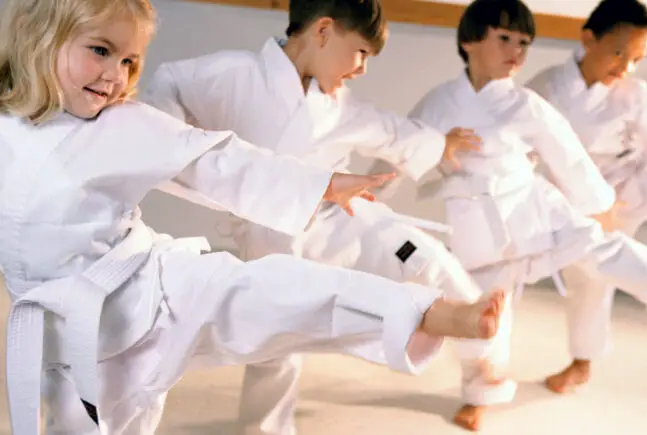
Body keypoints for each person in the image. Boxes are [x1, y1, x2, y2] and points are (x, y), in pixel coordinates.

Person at [0, 0, 506, 433]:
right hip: (78, 322)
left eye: (130, 61)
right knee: (109, 414)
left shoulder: (124, 124)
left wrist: (326, 184)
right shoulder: (228, 75)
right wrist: (162, 137)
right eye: (101, 51)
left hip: (183, 270)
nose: (117, 76)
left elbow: (217, 158)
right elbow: (177, 95)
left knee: (285, 295)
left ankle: (427, 314)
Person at [408, 0, 647, 429]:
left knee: (622, 244)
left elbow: (581, 155)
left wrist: (598, 204)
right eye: (505, 39)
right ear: (470, 41)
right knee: (482, 305)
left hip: (575, 194)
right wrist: (375, 182)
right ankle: (483, 389)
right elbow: (403, 145)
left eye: (524, 43)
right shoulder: (456, 100)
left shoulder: (536, 102)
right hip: (480, 216)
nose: (517, 51)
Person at [525, 0, 647, 393]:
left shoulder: (634, 92)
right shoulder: (545, 90)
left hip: (635, 177)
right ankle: (582, 362)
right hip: (583, 197)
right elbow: (523, 155)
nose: (626, 68)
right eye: (619, 53)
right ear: (588, 39)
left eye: (636, 59)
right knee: (589, 278)